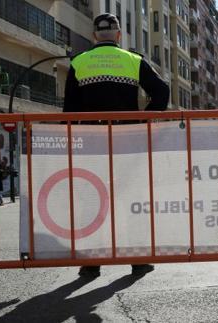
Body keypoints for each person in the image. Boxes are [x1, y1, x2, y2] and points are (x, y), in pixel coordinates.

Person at [64, 13, 169, 279]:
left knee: (91, 199)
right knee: (129, 199)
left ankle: (91, 262)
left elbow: (70, 111)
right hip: (127, 142)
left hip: (91, 144)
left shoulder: (79, 62)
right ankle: (137, 260)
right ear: (119, 35)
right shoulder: (133, 61)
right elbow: (162, 91)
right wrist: (144, 122)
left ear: (94, 36)